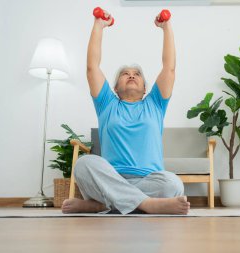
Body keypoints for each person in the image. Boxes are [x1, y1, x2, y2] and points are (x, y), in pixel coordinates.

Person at [62, 9, 190, 215]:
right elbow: (92, 68)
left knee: (173, 183)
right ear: (114, 88)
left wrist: (166, 28)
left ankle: (103, 205)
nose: (131, 76)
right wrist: (99, 24)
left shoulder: (155, 104)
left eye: (137, 74)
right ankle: (147, 204)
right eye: (125, 74)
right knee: (83, 164)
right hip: (110, 178)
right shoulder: (106, 104)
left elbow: (169, 68)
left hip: (149, 180)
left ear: (146, 88)